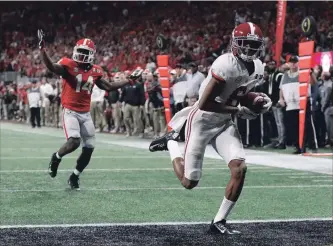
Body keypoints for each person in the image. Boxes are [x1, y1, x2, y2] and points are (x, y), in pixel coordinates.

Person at [149, 23, 272, 234]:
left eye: (254, 45)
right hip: (203, 120)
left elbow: (240, 93)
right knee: (189, 182)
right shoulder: (225, 64)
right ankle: (170, 142)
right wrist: (237, 108)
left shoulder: (258, 67)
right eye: (246, 44)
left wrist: (256, 99)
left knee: (239, 169)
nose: (250, 50)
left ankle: (219, 221)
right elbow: (205, 103)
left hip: (224, 123)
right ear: (235, 44)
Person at [38, 30, 132, 190]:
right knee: (74, 141)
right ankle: (56, 157)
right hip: (70, 111)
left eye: (84, 52)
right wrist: (42, 50)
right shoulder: (68, 64)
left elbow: (108, 86)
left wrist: (127, 80)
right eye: (79, 51)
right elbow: (52, 67)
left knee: (89, 148)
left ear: (91, 54)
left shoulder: (96, 70)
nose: (81, 54)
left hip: (85, 113)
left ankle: (74, 176)